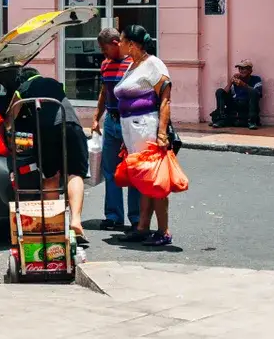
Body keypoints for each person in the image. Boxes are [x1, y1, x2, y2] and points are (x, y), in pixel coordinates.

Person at [11, 70, 90, 244]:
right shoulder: (54, 83)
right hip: (72, 126)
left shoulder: (24, 88)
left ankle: (55, 225)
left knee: (50, 177)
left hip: (47, 132)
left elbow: (11, 115)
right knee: (75, 173)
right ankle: (76, 221)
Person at [113, 24, 174, 247]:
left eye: (121, 39)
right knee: (141, 180)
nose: (118, 43)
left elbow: (166, 99)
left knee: (154, 179)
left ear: (132, 44)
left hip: (145, 126)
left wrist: (162, 134)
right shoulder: (133, 65)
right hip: (131, 128)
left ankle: (163, 231)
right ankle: (142, 227)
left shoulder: (153, 64)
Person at [91, 28, 139, 232]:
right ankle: (113, 216)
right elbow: (104, 92)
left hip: (131, 122)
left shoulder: (134, 64)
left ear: (115, 42)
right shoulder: (105, 65)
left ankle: (136, 217)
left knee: (134, 170)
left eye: (104, 48)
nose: (103, 53)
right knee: (110, 169)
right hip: (111, 121)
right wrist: (96, 118)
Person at [212, 60, 263, 130]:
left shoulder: (256, 79)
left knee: (254, 92)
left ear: (250, 70)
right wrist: (231, 82)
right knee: (220, 91)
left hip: (247, 105)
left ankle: (252, 121)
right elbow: (225, 93)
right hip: (236, 104)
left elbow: (257, 94)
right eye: (239, 69)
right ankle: (221, 119)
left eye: (243, 68)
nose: (241, 71)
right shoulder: (237, 79)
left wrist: (243, 85)